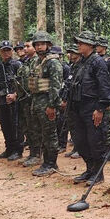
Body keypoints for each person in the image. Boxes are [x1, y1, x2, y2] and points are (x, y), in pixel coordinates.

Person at [68, 31, 110, 184]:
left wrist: (100, 108)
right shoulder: (80, 62)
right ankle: (89, 169)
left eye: (81, 42)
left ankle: (98, 174)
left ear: (90, 45)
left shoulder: (98, 62)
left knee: (95, 141)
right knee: (80, 141)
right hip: (78, 107)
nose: (78, 45)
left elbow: (104, 87)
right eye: (78, 42)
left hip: (92, 107)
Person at [29, 32, 64, 176]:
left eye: (42, 44)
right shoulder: (36, 61)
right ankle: (45, 162)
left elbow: (56, 86)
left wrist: (52, 106)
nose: (39, 47)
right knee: (41, 133)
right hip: (37, 102)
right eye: (37, 44)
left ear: (48, 45)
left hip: (47, 103)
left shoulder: (53, 62)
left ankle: (51, 163)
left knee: (50, 134)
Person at [0, 40, 23, 160]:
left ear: (12, 51)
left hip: (14, 102)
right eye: (3, 51)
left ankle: (17, 150)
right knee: (5, 126)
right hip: (2, 101)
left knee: (15, 126)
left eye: (8, 50)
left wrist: (15, 94)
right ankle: (9, 149)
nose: (6, 53)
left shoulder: (17, 65)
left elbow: (23, 83)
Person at [96, 34, 110, 158]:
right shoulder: (95, 59)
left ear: (104, 46)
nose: (96, 47)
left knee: (105, 126)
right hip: (97, 97)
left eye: (98, 45)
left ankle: (108, 152)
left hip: (107, 98)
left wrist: (109, 99)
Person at [17, 38, 38, 166]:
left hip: (33, 100)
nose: (25, 49)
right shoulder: (26, 62)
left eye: (28, 46)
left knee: (35, 129)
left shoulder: (38, 62)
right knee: (28, 128)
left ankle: (37, 155)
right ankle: (32, 154)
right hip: (24, 100)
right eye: (24, 46)